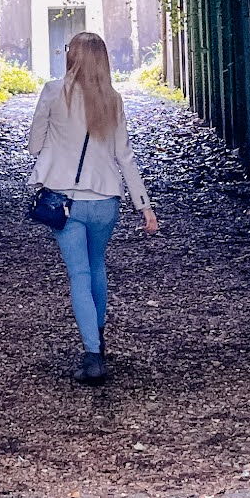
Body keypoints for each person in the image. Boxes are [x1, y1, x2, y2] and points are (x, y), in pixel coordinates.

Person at [27, 32, 159, 383]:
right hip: (105, 200)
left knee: (79, 274)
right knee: (97, 266)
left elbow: (33, 144)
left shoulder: (54, 92)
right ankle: (97, 338)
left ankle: (92, 355)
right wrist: (144, 206)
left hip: (65, 202)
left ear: (73, 57)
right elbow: (125, 156)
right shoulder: (112, 98)